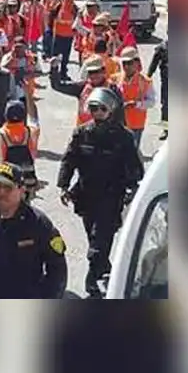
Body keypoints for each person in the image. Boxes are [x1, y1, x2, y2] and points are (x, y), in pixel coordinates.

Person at [56, 87, 144, 298]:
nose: (97, 113)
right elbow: (69, 160)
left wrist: (133, 188)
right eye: (93, 108)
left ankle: (96, 284)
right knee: (95, 242)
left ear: (111, 110)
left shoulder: (124, 137)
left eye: (101, 109)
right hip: (86, 197)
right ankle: (106, 275)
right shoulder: (81, 133)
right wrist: (63, 185)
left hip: (111, 198)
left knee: (98, 244)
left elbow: (135, 168)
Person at [0, 163, 68, 299]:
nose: (1, 192)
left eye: (7, 188)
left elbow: (57, 270)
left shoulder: (38, 223)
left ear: (21, 190)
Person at [0, 98, 40, 200]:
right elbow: (33, 119)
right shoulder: (32, 133)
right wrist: (29, 95)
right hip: (23, 188)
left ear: (5, 116)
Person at [50, 54, 122, 127]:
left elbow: (120, 112)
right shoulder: (82, 87)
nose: (94, 75)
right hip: (84, 133)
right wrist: (54, 68)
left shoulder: (112, 88)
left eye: (96, 71)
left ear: (103, 71)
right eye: (91, 72)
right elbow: (57, 86)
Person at [112, 47, 157, 148]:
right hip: (118, 123)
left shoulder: (145, 81)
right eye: (124, 63)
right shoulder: (115, 79)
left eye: (129, 63)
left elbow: (152, 102)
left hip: (136, 125)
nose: (126, 66)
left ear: (137, 63)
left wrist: (136, 104)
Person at [49, 0, 79, 80]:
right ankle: (53, 72)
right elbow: (51, 17)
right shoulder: (58, 6)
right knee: (55, 56)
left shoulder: (75, 9)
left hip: (69, 37)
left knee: (66, 57)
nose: (69, 0)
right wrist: (50, 30)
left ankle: (63, 73)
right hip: (58, 35)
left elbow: (77, 21)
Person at [147, 38, 168, 140]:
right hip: (167, 81)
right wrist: (148, 76)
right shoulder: (162, 47)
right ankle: (166, 129)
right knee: (166, 105)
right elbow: (154, 62)